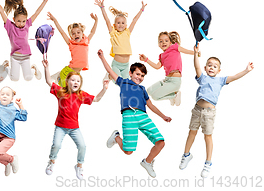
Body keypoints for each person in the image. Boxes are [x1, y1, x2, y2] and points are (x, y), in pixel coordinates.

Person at [179, 44, 254, 178]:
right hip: (197, 110)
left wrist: (246, 70)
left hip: (209, 113)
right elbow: (196, 66)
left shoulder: (220, 80)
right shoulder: (202, 77)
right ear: (205, 68)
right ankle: (186, 155)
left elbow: (235, 76)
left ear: (219, 70)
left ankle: (208, 163)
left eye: (214, 66)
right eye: (209, 65)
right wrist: (195, 54)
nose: (211, 67)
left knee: (207, 136)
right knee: (192, 132)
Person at [97, 49, 172, 178]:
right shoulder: (123, 82)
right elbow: (110, 71)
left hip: (143, 116)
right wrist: (102, 57)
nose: (140, 77)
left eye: (142, 76)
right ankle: (116, 137)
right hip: (129, 115)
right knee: (128, 151)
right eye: (137, 74)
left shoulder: (142, 89)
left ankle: (147, 162)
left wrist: (163, 116)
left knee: (161, 142)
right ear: (130, 73)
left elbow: (151, 105)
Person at [42, 59, 108, 180]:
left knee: (82, 146)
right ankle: (51, 162)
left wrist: (104, 89)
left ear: (80, 84)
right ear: (67, 82)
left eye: (78, 80)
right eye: (73, 80)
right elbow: (48, 81)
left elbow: (96, 99)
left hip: (74, 128)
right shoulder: (61, 92)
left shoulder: (81, 95)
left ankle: (79, 165)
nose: (75, 82)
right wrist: (46, 68)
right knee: (56, 145)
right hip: (60, 127)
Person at [0, 0, 49, 81]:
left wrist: (44, 2)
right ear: (14, 19)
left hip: (26, 56)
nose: (21, 23)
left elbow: (37, 13)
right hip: (15, 56)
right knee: (14, 78)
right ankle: (6, 67)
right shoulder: (10, 26)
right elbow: (1, 11)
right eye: (18, 21)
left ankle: (34, 69)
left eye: (23, 21)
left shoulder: (27, 24)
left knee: (28, 78)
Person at [95, 0, 146, 82]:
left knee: (126, 82)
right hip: (116, 64)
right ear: (115, 25)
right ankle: (109, 75)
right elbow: (107, 20)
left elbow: (134, 20)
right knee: (117, 82)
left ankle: (112, 75)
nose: (121, 25)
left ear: (125, 25)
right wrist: (102, 7)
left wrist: (142, 9)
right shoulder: (113, 33)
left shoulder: (127, 32)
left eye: (123, 23)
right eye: (118, 23)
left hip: (126, 65)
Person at [0, 77, 27, 176]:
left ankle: (12, 159)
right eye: (2, 94)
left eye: (7, 95)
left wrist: (21, 105)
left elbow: (23, 117)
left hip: (9, 138)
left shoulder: (12, 110)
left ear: (11, 99)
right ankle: (6, 164)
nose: (4, 96)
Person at [46, 11, 98, 87]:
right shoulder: (71, 44)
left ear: (82, 34)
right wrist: (55, 20)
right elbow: (62, 32)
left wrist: (96, 21)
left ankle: (58, 77)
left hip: (76, 74)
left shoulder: (86, 41)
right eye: (73, 33)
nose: (76, 34)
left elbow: (92, 32)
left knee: (70, 90)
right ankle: (59, 75)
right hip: (68, 72)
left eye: (78, 32)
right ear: (71, 36)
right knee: (65, 90)